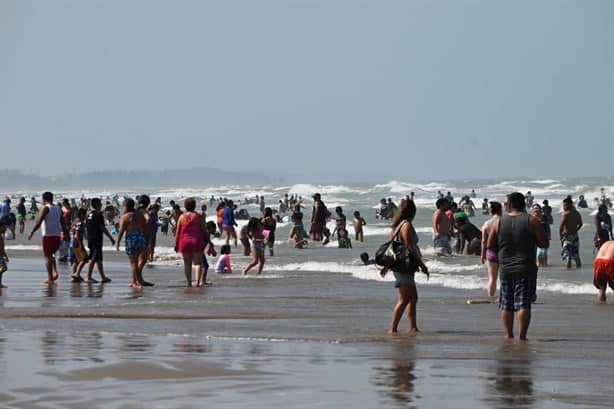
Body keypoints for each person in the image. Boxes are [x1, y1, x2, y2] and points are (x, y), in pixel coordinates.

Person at [486, 192, 548, 341]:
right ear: (523, 204)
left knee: (506, 303)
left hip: (506, 268)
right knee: (523, 303)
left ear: (510, 204)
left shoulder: (498, 222)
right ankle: (522, 336)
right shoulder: (532, 221)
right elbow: (544, 244)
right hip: (525, 268)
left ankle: (508, 335)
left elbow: (490, 245)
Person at [379, 199, 429, 334]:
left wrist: (387, 266)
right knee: (405, 298)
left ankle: (413, 327)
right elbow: (409, 246)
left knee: (411, 297)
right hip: (404, 266)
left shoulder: (397, 226)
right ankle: (393, 328)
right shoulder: (406, 226)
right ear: (412, 212)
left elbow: (393, 248)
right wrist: (422, 264)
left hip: (401, 266)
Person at [28, 192, 64, 284]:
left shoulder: (46, 208)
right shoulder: (58, 208)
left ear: (44, 199)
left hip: (48, 235)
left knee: (47, 257)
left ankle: (50, 278)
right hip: (57, 235)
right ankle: (54, 272)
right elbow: (62, 222)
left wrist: (32, 232)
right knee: (52, 255)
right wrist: (65, 233)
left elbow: (39, 222)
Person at [174, 197, 207, 287]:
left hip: (184, 241)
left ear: (185, 206)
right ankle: (197, 283)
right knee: (197, 263)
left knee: (187, 263)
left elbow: (178, 232)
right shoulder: (198, 216)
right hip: (197, 241)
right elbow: (203, 229)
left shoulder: (181, 217)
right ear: (194, 206)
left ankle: (189, 283)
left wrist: (176, 244)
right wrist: (207, 240)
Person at [116, 198, 147, 289]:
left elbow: (121, 231)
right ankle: (135, 281)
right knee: (136, 261)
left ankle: (137, 283)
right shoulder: (139, 215)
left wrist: (118, 242)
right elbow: (144, 225)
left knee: (133, 262)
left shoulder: (125, 217)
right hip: (140, 238)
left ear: (126, 206)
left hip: (131, 239)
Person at [85, 198, 114, 283]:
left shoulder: (88, 215)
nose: (101, 205)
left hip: (90, 238)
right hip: (96, 239)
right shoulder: (98, 215)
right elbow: (102, 228)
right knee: (93, 258)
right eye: (100, 204)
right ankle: (88, 277)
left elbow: (87, 227)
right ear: (97, 205)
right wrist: (110, 237)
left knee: (99, 259)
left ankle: (103, 277)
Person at [481, 201, 502, 297]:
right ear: (501, 210)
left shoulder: (487, 223)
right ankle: (504, 297)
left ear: (491, 211)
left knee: (492, 278)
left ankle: (491, 297)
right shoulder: (505, 221)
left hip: (491, 252)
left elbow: (484, 241)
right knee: (505, 277)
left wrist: (482, 254)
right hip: (504, 251)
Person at [560, 197, 583, 269]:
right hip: (575, 236)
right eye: (563, 205)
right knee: (576, 256)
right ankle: (579, 271)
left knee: (568, 257)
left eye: (565, 205)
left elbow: (560, 228)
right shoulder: (577, 213)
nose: (564, 207)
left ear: (570, 205)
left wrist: (561, 238)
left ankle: (568, 274)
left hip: (567, 237)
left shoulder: (565, 214)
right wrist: (576, 230)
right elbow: (580, 224)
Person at [70, 208, 89, 282]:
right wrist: (81, 245)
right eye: (85, 215)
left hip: (72, 243)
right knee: (84, 259)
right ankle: (76, 274)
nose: (85, 216)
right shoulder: (80, 223)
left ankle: (75, 274)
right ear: (81, 214)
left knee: (77, 260)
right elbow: (77, 235)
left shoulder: (74, 222)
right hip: (77, 243)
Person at [0, 218, 9, 288]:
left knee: (3, 269)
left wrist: (5, 256)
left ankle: (0, 283)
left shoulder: (2, 236)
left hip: (1, 255)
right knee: (3, 268)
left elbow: (2, 248)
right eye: (4, 228)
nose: (5, 229)